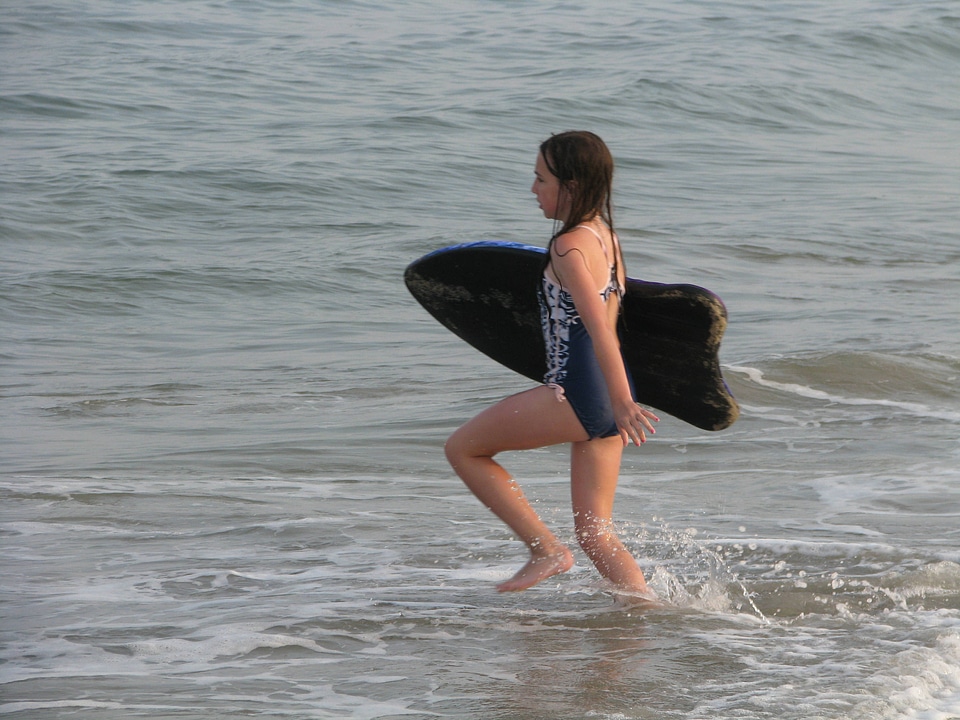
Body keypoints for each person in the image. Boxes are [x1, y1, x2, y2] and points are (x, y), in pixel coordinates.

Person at [444, 131, 660, 599]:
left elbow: (599, 331)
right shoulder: (608, 238)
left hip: (578, 394)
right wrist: (620, 401)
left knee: (463, 449)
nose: (533, 189)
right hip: (605, 400)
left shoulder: (567, 248)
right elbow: (613, 320)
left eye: (540, 179)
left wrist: (621, 403)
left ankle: (544, 549)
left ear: (571, 186)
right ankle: (643, 614)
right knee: (597, 535)